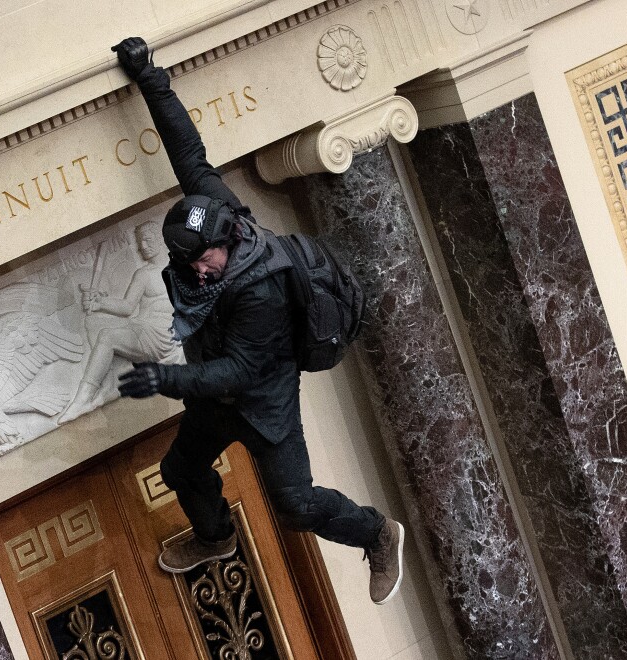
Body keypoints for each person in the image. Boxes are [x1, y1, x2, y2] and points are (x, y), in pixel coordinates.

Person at [111, 37, 404, 605]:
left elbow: (237, 372)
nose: (196, 272)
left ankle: (377, 532)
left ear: (227, 241)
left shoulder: (260, 289)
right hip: (214, 400)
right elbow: (188, 154)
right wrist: (150, 79)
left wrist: (163, 379)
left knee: (295, 505)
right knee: (180, 470)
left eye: (203, 261)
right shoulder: (215, 210)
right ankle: (215, 537)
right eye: (186, 262)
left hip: (262, 401)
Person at [59, 221, 179, 423]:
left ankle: (84, 398)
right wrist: (99, 303)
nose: (143, 246)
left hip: (164, 334)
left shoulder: (180, 268)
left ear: (161, 238)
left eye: (148, 239)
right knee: (92, 321)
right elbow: (127, 307)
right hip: (143, 327)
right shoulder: (143, 274)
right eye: (140, 242)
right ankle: (104, 384)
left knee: (108, 335)